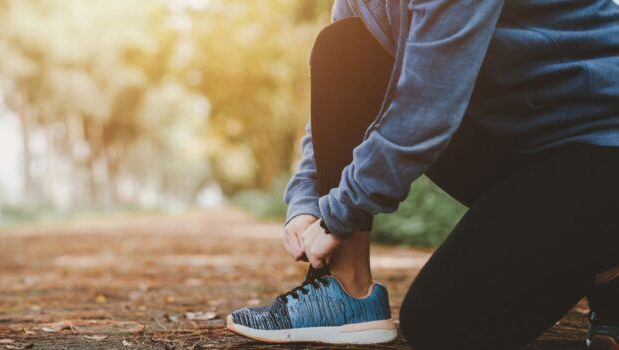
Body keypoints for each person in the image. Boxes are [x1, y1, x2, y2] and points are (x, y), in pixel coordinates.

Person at [226, 1, 619, 349]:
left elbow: (425, 112)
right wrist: (307, 202)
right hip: (524, 144)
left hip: (600, 145)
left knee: (442, 327)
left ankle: (605, 261)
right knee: (345, 47)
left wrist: (337, 215)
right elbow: (339, 106)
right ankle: (346, 293)